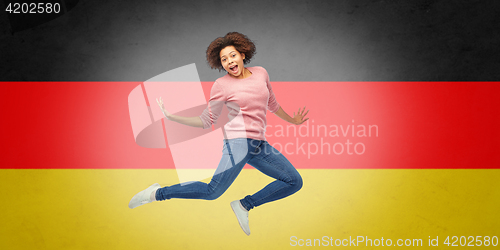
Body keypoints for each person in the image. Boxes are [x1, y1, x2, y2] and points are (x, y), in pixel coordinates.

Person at [129, 32, 309, 236]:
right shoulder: (221, 85)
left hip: (259, 145)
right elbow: (207, 120)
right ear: (220, 64)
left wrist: (292, 120)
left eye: (232, 56)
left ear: (242, 54)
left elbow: (272, 104)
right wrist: (172, 117)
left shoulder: (261, 73)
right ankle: (156, 193)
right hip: (238, 144)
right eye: (224, 59)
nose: (229, 61)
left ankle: (244, 205)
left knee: (294, 181)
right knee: (212, 191)